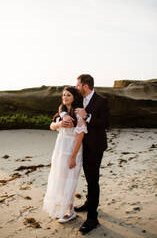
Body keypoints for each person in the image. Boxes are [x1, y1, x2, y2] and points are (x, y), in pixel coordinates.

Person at [60, 74, 109, 234]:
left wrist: (87, 116)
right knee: (88, 178)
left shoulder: (102, 101)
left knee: (93, 180)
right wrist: (61, 119)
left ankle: (92, 218)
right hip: (80, 147)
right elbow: (64, 109)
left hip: (95, 147)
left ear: (85, 86)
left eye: (78, 85)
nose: (76, 88)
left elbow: (105, 123)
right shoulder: (79, 100)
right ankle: (89, 203)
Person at [43, 87, 87, 223]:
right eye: (63, 95)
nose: (65, 97)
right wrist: (60, 123)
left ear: (74, 97)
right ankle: (62, 208)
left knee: (70, 180)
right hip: (60, 148)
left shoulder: (78, 113)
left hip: (72, 149)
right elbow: (51, 126)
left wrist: (73, 157)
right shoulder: (62, 112)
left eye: (68, 95)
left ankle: (70, 211)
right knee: (60, 179)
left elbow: (80, 136)